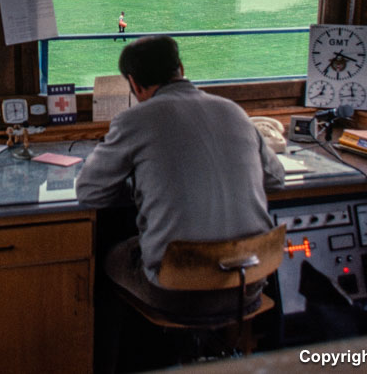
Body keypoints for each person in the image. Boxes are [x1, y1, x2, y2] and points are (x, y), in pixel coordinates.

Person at [76, 35, 285, 325]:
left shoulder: (133, 120)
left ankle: (128, 351)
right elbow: (276, 179)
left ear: (134, 84)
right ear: (181, 69)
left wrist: (139, 186)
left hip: (177, 294)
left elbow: (90, 193)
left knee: (107, 255)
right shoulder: (234, 111)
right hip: (248, 286)